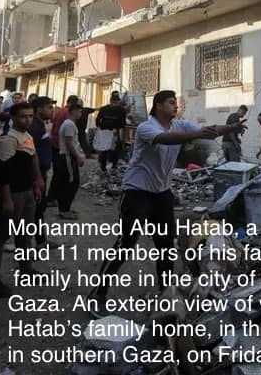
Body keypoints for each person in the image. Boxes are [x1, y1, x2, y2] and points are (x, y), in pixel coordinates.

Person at [92, 90, 247, 302]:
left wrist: (231, 127)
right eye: (171, 102)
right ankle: (98, 293)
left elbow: (208, 131)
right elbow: (165, 139)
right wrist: (196, 134)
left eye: (176, 103)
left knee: (166, 247)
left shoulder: (180, 125)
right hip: (136, 191)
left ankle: (165, 294)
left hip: (161, 194)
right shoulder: (147, 128)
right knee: (126, 245)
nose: (176, 106)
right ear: (158, 106)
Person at [0, 102, 44, 298]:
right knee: (1, 236)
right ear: (13, 117)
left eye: (30, 116)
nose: (27, 120)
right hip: (13, 194)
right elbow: (3, 173)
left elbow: (32, 158)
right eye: (23, 116)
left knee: (25, 234)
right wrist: (7, 200)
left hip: (27, 192)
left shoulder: (26, 136)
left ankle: (26, 270)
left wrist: (37, 181)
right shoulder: (7, 140)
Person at [29, 96, 55, 248]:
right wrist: (37, 177)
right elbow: (31, 154)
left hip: (40, 173)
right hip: (35, 175)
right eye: (49, 107)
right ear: (39, 109)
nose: (52, 110)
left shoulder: (39, 124)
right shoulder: (34, 126)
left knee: (38, 210)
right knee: (33, 210)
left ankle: (41, 241)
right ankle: (26, 246)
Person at [48, 94, 80, 205]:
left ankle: (52, 198)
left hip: (55, 143)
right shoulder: (68, 117)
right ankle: (57, 200)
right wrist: (77, 155)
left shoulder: (60, 111)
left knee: (58, 174)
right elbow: (68, 140)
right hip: (61, 147)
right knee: (65, 177)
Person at [56, 102, 85, 220]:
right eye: (79, 111)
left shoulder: (70, 124)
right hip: (67, 157)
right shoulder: (69, 124)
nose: (80, 114)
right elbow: (69, 143)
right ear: (73, 111)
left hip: (68, 157)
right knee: (71, 183)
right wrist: (77, 156)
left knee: (71, 183)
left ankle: (65, 208)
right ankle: (64, 210)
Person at [95, 91, 127, 172]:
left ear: (110, 100)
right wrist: (117, 129)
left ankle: (103, 167)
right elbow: (123, 124)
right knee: (115, 149)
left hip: (104, 132)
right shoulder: (121, 110)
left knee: (104, 149)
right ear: (118, 100)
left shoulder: (103, 109)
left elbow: (97, 121)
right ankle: (113, 166)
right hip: (115, 132)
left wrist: (100, 128)